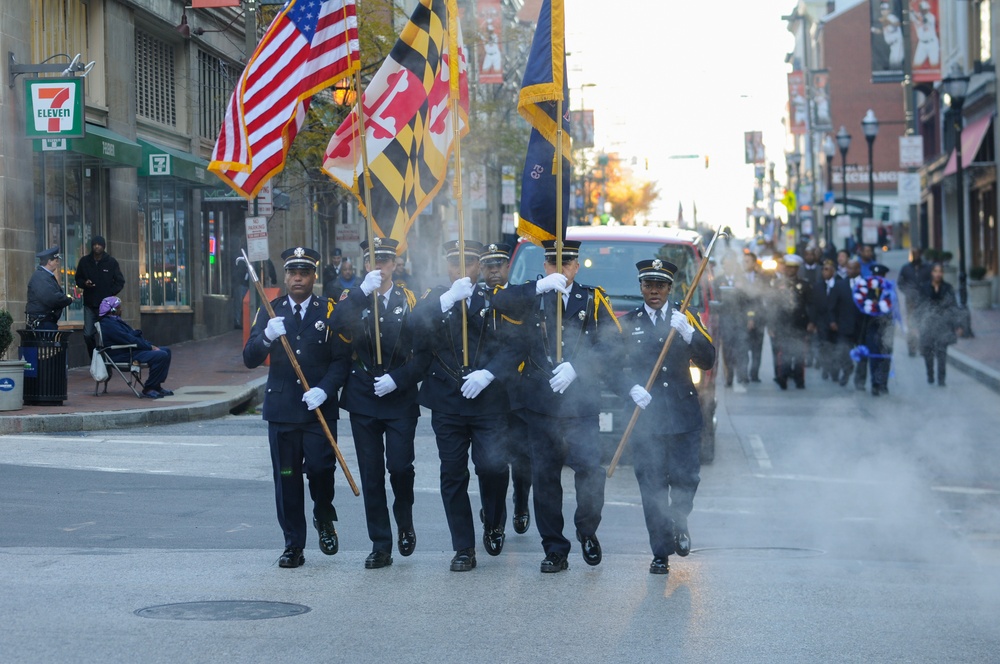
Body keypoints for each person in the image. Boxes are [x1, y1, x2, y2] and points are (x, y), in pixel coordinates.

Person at [491, 239, 622, 573]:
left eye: (567, 263)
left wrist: (578, 367)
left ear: (576, 267)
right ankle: (554, 549)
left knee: (590, 471)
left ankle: (587, 529)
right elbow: (499, 302)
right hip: (541, 403)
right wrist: (538, 286)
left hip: (581, 403)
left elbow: (612, 344)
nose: (560, 269)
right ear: (545, 265)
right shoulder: (531, 296)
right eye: (553, 262)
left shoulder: (591, 299)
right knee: (546, 478)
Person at [411, 240, 516, 572]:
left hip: (488, 400)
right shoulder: (435, 298)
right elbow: (412, 331)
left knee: (493, 467)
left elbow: (516, 346)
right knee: (453, 473)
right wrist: (447, 300)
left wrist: (489, 373)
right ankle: (463, 547)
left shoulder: (495, 299)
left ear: (480, 266)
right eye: (454, 263)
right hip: (447, 401)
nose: (461, 269)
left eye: (469, 263)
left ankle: (494, 518)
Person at [242, 246, 350, 569]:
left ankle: (323, 513)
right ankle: (293, 544)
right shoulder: (271, 311)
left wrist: (325, 390)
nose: (298, 278)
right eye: (292, 272)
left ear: (314, 276)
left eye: (304, 272)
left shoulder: (328, 311)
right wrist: (266, 339)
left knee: (321, 470)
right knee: (287, 478)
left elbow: (342, 360)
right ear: (285, 276)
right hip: (283, 411)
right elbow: (250, 357)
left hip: (318, 411)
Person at [619, 259, 715, 575]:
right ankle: (660, 552)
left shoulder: (685, 318)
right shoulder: (629, 322)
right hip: (646, 420)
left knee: (687, 478)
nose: (654, 291)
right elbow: (612, 365)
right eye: (649, 285)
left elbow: (707, 359)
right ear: (641, 287)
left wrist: (690, 335)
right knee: (652, 487)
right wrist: (631, 388)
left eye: (660, 285)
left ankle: (680, 518)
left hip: (682, 416)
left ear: (670, 289)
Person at [334, 238, 421, 569]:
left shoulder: (410, 299)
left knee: (399, 467)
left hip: (398, 395)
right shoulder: (351, 298)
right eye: (374, 260)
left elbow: (423, 349)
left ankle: (404, 519)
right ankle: (380, 543)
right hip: (363, 395)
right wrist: (359, 293)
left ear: (396, 265)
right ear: (365, 264)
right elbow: (336, 325)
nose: (380, 266)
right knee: (371, 474)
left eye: (386, 260)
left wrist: (399, 379)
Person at [480, 242, 532, 535]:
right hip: (485, 392)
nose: (494, 271)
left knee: (521, 457)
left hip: (517, 389)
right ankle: (493, 514)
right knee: (490, 458)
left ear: (508, 267)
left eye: (499, 265)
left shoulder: (520, 295)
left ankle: (521, 502)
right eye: (488, 266)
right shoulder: (475, 297)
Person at [97, 296, 174, 399]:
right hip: (123, 355)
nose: (122, 309)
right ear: (113, 310)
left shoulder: (115, 321)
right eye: (119, 307)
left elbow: (132, 336)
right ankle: (149, 388)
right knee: (161, 355)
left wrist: (148, 345)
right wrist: (149, 347)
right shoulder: (109, 325)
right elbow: (129, 339)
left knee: (166, 351)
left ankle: (156, 386)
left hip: (130, 351)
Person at [767, 254, 814, 390]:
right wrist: (771, 324)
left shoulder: (804, 285)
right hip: (782, 324)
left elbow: (810, 305)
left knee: (799, 353)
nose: (790, 270)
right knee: (783, 352)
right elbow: (772, 305)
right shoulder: (777, 284)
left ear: (797, 269)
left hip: (800, 323)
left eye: (793, 268)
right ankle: (783, 377)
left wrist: (811, 322)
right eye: (788, 267)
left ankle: (800, 380)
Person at [75, 236, 125, 356]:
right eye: (95, 244)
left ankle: (106, 359)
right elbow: (78, 279)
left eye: (99, 244)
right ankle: (94, 357)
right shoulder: (84, 261)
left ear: (103, 246)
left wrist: (109, 293)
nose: (97, 246)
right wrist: (84, 283)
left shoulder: (111, 262)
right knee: (88, 334)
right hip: (89, 303)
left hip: (105, 306)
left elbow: (120, 281)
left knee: (105, 333)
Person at [917, 262, 961, 386]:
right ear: (932, 273)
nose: (938, 274)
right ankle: (930, 374)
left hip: (943, 325)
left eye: (940, 271)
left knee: (942, 353)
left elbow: (954, 306)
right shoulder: (924, 287)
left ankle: (941, 379)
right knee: (928, 352)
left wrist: (957, 324)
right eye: (935, 271)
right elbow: (919, 306)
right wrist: (916, 324)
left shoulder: (948, 288)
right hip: (928, 325)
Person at [715, 253, 749, 391]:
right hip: (725, 320)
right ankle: (729, 375)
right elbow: (715, 299)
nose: (728, 266)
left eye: (731, 264)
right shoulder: (717, 281)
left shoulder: (742, 280)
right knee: (727, 350)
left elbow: (749, 301)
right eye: (726, 264)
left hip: (740, 319)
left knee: (742, 348)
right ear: (723, 266)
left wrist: (750, 318)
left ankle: (742, 375)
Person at [26, 246, 74, 330]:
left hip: (45, 321)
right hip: (42, 323)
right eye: (56, 260)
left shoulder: (44, 275)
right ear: (49, 262)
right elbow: (51, 298)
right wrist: (68, 299)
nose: (57, 263)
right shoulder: (40, 276)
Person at [898, 247, 932, 356]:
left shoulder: (927, 268)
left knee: (924, 325)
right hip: (910, 302)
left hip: (924, 301)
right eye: (913, 253)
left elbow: (932, 282)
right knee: (912, 325)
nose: (915, 256)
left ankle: (923, 348)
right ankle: (912, 349)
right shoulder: (906, 268)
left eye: (917, 253)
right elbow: (900, 283)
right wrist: (907, 292)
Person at [741, 251, 766, 382]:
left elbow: (762, 299)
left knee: (757, 349)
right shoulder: (738, 278)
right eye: (744, 261)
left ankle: (754, 373)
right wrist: (748, 317)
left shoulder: (761, 278)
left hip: (759, 319)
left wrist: (754, 318)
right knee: (743, 348)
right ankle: (744, 375)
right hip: (742, 319)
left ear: (754, 263)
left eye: (747, 261)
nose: (745, 264)